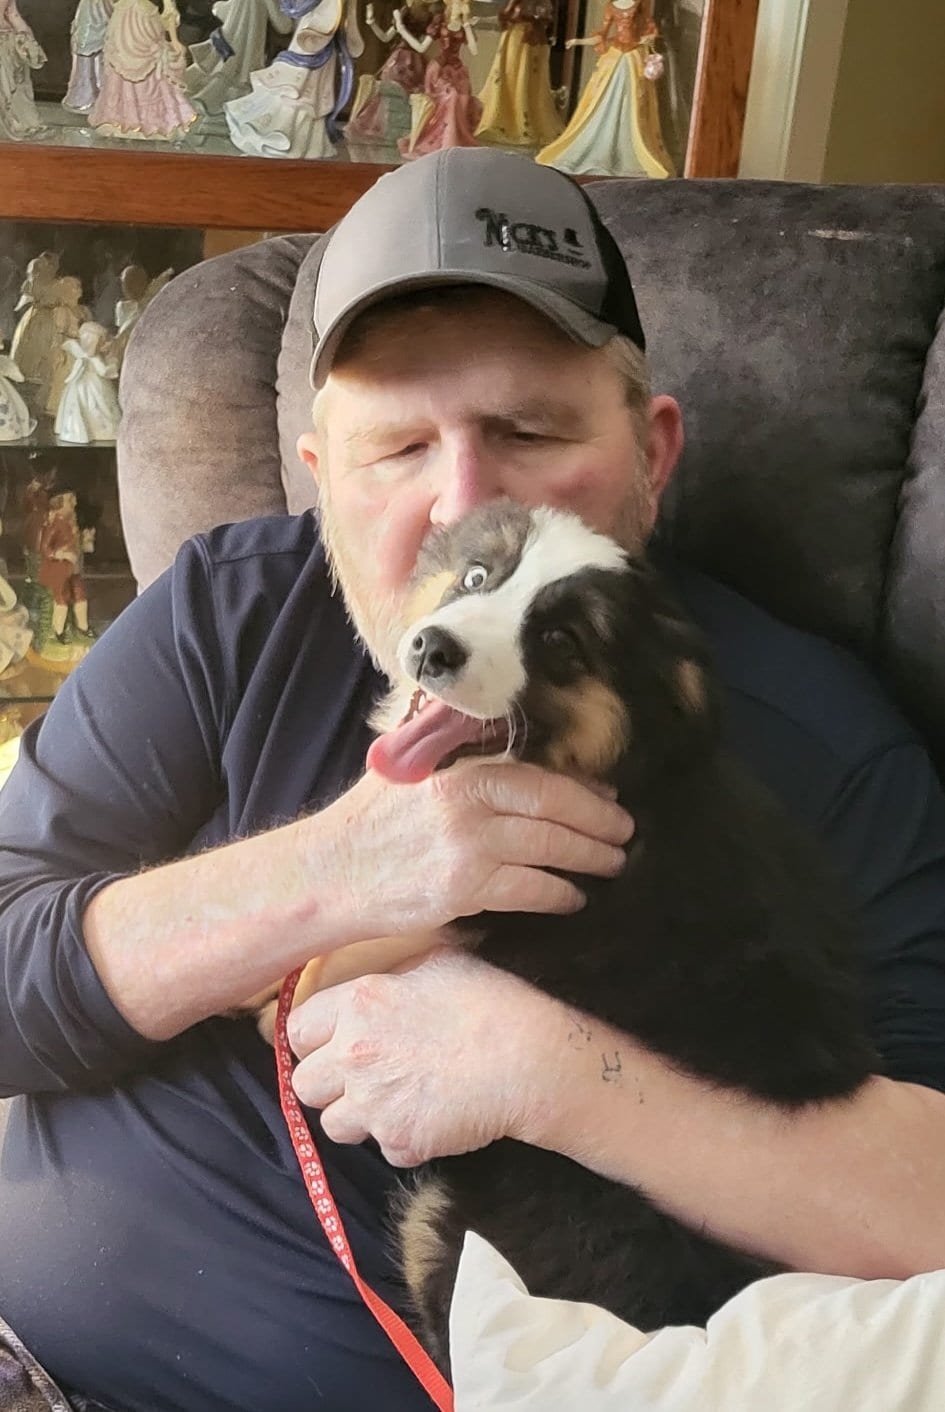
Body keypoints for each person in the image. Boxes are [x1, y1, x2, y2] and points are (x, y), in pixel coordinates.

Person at [0, 148, 944, 1412]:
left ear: (652, 452)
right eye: (396, 446)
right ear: (319, 474)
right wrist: (327, 873)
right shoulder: (222, 614)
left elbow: (925, 1204)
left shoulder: (810, 743)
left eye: (529, 429)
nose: (462, 504)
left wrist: (545, 1068)